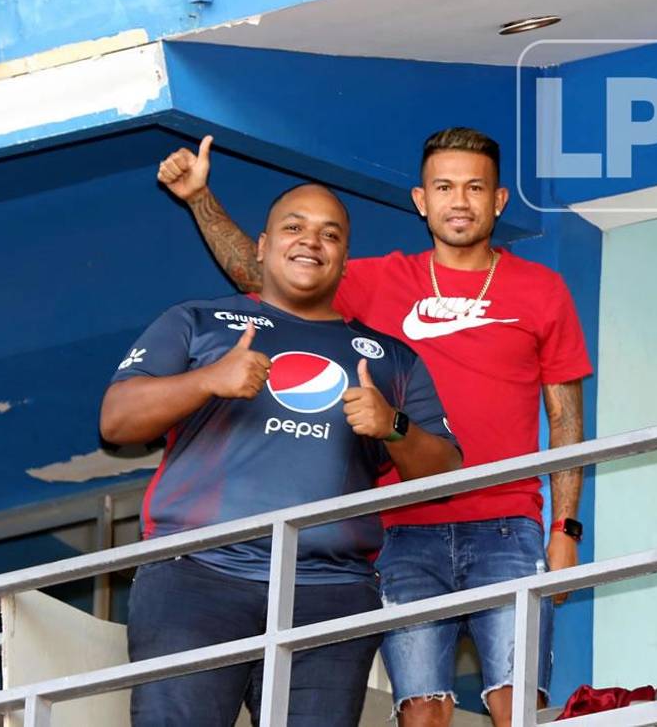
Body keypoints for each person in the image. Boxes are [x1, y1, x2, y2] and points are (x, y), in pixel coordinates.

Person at [156, 128, 592, 726]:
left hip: (507, 525)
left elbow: (565, 417)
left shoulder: (542, 290)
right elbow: (262, 274)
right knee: (422, 712)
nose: (458, 201)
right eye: (444, 187)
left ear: (498, 201)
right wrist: (200, 198)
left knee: (516, 704)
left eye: (474, 188)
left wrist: (566, 528)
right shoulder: (377, 280)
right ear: (421, 200)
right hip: (400, 529)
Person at [101, 183, 461, 726]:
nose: (310, 241)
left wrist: (393, 427)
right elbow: (115, 420)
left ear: (344, 260)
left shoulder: (391, 358)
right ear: (264, 246)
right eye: (294, 227)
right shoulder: (197, 320)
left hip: (329, 591)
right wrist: (208, 380)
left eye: (329, 234)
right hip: (197, 577)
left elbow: (445, 473)